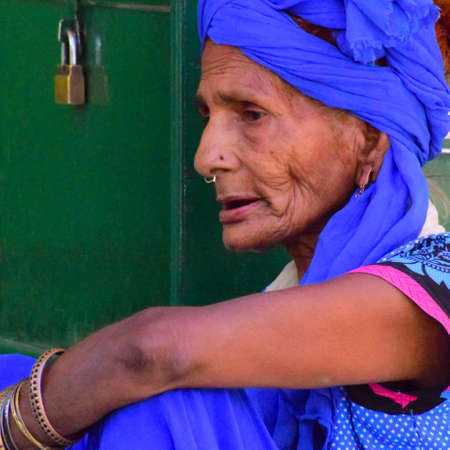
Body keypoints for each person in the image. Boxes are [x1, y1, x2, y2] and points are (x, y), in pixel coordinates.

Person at [0, 0, 449, 449]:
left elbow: (150, 352)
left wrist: (13, 424)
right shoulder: (292, 296)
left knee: (166, 399)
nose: (205, 158)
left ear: (369, 142)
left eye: (252, 115)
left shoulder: (429, 291)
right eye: (206, 117)